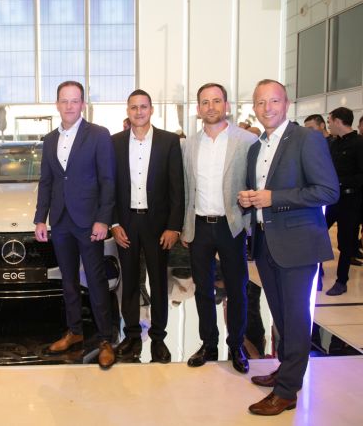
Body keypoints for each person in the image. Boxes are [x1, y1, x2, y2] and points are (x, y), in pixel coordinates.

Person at [238, 79, 339, 416]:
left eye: (274, 101)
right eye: (261, 102)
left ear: (287, 104)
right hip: (266, 242)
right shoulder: (256, 148)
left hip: (298, 243)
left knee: (295, 317)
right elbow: (262, 194)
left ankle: (287, 391)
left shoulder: (306, 139)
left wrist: (274, 198)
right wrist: (249, 199)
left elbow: (327, 191)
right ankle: (286, 368)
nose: (267, 108)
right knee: (280, 314)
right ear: (254, 107)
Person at [34, 81, 116, 369]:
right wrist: (40, 218)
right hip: (60, 221)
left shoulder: (99, 135)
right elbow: (46, 181)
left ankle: (105, 339)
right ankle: (75, 332)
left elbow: (108, 180)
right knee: (68, 281)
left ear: (83, 103)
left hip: (89, 221)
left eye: (74, 100)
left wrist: (103, 219)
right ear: (57, 104)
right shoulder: (49, 140)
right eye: (64, 100)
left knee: (95, 281)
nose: (69, 106)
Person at [180, 83, 256, 373]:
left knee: (237, 288)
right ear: (198, 108)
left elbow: (255, 182)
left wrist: (248, 224)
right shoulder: (188, 145)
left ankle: (236, 345)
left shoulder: (246, 141)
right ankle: (208, 343)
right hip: (199, 226)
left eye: (216, 101)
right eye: (205, 102)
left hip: (231, 225)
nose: (210, 107)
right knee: (202, 289)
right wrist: (185, 226)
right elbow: (185, 188)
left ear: (226, 105)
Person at [110, 89, 184, 363]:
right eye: (134, 107)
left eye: (143, 107)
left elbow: (177, 187)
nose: (139, 112)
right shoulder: (115, 142)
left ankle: (159, 337)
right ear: (127, 111)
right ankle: (131, 335)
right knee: (129, 281)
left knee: (159, 280)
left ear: (151, 110)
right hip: (126, 222)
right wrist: (114, 223)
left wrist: (173, 226)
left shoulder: (169, 141)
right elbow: (110, 186)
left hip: (157, 224)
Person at [322, 107, 363, 295]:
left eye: (330, 121)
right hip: (332, 199)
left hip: (350, 200)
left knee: (346, 243)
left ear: (338, 121)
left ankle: (341, 281)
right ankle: (317, 271)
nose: (328, 125)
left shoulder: (359, 143)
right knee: (318, 233)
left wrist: (339, 181)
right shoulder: (333, 144)